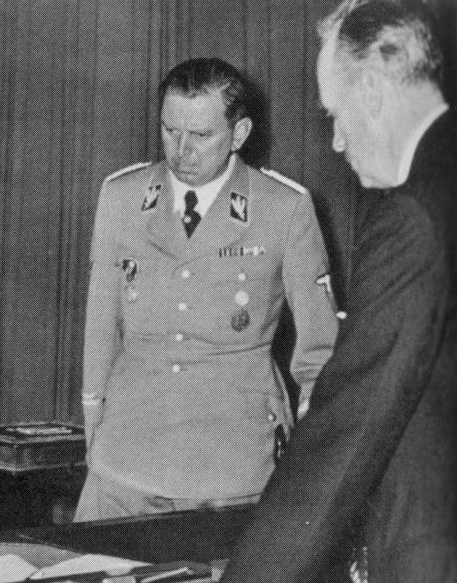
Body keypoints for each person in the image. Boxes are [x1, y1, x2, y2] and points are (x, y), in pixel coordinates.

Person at [183, 2, 456, 583]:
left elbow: (346, 430)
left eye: (334, 114)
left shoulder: (416, 215)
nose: (335, 142)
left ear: (374, 90)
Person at [76, 58, 340, 521]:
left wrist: (313, 457)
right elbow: (100, 327)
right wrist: (94, 425)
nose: (182, 151)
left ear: (239, 134)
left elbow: (320, 352)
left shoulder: (283, 208)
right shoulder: (121, 197)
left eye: (201, 135)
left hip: (233, 466)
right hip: (126, 459)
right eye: (170, 130)